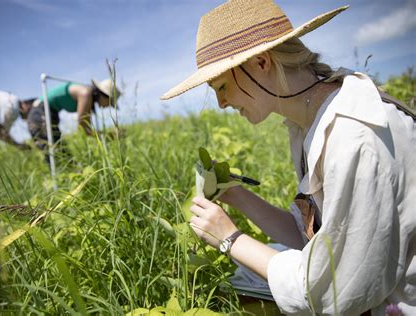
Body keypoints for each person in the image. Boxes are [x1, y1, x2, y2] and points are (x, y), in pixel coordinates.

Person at [161, 0, 415, 315]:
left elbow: (336, 291)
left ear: (261, 62)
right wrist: (235, 195)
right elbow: (309, 236)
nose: (221, 103)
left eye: (222, 86)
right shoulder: (309, 122)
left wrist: (230, 239)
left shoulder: (355, 136)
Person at [27, 78, 121, 150]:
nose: (108, 106)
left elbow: (86, 128)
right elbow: (83, 129)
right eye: (110, 102)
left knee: (61, 152)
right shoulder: (85, 94)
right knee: (54, 152)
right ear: (105, 96)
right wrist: (109, 136)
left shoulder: (88, 96)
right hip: (39, 114)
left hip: (50, 114)